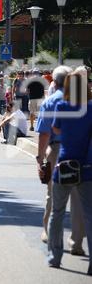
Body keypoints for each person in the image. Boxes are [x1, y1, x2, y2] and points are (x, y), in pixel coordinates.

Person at [36, 66, 85, 253]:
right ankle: (76, 242)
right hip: (80, 151)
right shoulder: (83, 101)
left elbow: (43, 134)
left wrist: (40, 158)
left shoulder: (50, 102)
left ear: (54, 82)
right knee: (78, 198)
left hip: (56, 150)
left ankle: (47, 232)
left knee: (53, 194)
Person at [47, 70, 92, 275]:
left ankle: (55, 257)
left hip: (65, 164)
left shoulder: (62, 106)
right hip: (88, 166)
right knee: (89, 215)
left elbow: (55, 130)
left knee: (57, 212)